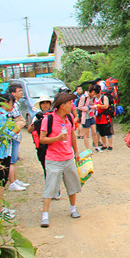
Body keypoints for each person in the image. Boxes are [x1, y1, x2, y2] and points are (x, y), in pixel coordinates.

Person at [39, 92, 81, 228]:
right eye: (69, 104)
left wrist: (76, 152)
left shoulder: (69, 118)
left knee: (72, 184)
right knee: (50, 186)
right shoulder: (48, 119)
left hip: (68, 157)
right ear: (62, 105)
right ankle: (45, 215)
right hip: (53, 159)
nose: (71, 106)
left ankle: (73, 208)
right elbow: (42, 139)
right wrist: (56, 138)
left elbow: (72, 135)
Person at [6, 83, 28, 191]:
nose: (21, 92)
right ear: (12, 93)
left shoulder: (17, 104)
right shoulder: (12, 106)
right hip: (13, 135)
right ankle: (12, 182)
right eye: (19, 90)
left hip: (16, 135)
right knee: (12, 160)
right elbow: (18, 119)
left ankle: (15, 180)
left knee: (14, 160)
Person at [93, 86, 113, 151]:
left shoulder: (104, 98)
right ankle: (104, 145)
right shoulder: (94, 99)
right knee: (101, 132)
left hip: (105, 116)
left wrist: (98, 106)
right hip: (98, 117)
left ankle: (110, 145)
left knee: (108, 131)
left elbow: (106, 106)